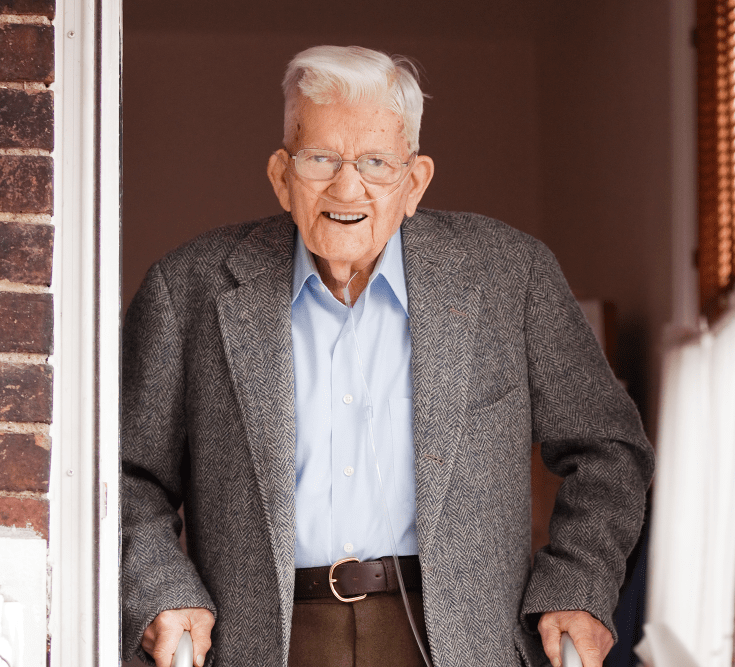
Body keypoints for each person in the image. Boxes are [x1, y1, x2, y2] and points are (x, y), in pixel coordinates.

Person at [121, 45, 654, 667]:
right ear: (281, 175)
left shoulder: (511, 274)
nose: (348, 187)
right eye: (321, 158)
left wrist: (576, 586)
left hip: (459, 638)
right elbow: (128, 475)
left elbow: (609, 449)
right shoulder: (189, 288)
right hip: (268, 641)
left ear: (415, 180)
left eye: (376, 162)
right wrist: (164, 591)